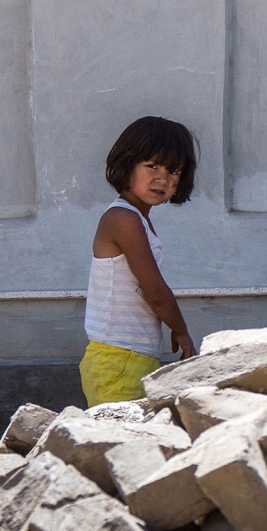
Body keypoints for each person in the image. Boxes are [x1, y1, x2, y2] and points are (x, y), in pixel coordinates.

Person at [80, 117, 199, 406]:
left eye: (174, 171)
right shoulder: (123, 219)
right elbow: (155, 291)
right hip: (117, 360)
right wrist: (181, 332)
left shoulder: (138, 219)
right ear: (127, 163)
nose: (163, 178)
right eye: (152, 166)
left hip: (132, 356)